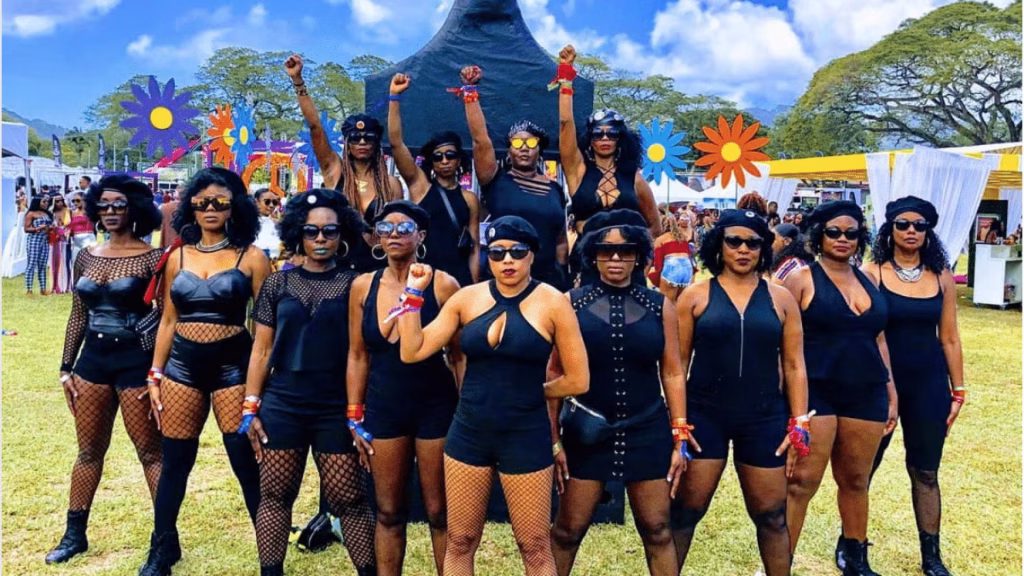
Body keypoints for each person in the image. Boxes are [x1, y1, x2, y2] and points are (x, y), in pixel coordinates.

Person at [397, 216, 589, 575]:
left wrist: (535, 392)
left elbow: (578, 380)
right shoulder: (466, 299)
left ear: (532, 255)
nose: (507, 261)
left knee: (534, 546)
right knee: (460, 541)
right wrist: (413, 293)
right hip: (470, 432)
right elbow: (412, 350)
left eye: (517, 252)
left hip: (525, 434)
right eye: (497, 253)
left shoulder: (553, 303)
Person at [139, 167, 271, 575]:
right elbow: (166, 321)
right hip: (182, 367)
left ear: (235, 207)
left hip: (234, 367)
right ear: (190, 207)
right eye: (202, 202)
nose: (210, 208)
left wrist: (257, 386)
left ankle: (269, 550)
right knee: (176, 459)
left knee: (245, 461)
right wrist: (155, 374)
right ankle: (162, 548)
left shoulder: (252, 257)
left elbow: (264, 329)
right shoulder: (176, 255)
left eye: (220, 202)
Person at [244, 188, 377, 576]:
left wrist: (355, 413)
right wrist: (251, 406)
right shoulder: (276, 285)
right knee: (275, 495)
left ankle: (368, 572)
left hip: (335, 402)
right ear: (297, 234)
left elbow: (359, 352)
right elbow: (261, 350)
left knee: (349, 497)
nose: (321, 239)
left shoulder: (356, 284)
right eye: (311, 231)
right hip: (284, 401)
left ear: (343, 235)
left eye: (330, 232)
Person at [671, 209, 810, 576]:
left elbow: (795, 365)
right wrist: (678, 424)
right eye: (734, 241)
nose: (743, 249)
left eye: (753, 242)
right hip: (704, 418)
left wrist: (799, 424)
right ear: (720, 244)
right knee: (685, 511)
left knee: (772, 516)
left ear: (764, 248)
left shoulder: (781, 299)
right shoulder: (695, 296)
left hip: (764, 418)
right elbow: (676, 365)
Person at [548, 210, 686, 576]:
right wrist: (553, 441)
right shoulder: (570, 303)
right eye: (606, 251)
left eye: (625, 251)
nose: (615, 259)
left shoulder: (660, 306)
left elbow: (672, 371)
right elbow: (554, 374)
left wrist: (680, 435)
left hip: (647, 430)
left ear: (639, 255)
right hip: (586, 432)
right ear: (592, 254)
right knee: (567, 531)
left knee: (657, 530)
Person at [46, 175, 165, 565]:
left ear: (136, 209)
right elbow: (78, 312)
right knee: (88, 452)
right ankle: (74, 534)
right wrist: (66, 368)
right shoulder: (87, 255)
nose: (111, 212)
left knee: (150, 453)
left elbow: (165, 318)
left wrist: (157, 373)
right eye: (105, 205)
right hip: (92, 364)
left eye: (119, 205)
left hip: (136, 364)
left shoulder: (152, 258)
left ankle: (165, 540)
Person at [783, 201, 897, 576]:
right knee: (802, 482)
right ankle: (778, 563)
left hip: (867, 390)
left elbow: (879, 339)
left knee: (855, 480)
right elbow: (782, 345)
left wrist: (891, 391)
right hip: (817, 392)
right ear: (819, 235)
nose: (843, 239)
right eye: (834, 232)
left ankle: (856, 560)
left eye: (851, 233)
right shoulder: (800, 279)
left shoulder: (869, 278)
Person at [348, 200, 461, 575]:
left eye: (404, 227)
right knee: (389, 511)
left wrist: (465, 412)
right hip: (384, 407)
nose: (394, 234)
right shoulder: (363, 285)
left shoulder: (443, 284)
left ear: (421, 236)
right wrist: (354, 414)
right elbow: (357, 355)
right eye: (386, 227)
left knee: (439, 511)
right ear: (376, 236)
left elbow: (459, 356)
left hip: (435, 406)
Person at [860, 197, 963, 576]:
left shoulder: (941, 276)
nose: (911, 231)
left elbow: (950, 338)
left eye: (920, 225)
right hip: (878, 383)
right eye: (903, 224)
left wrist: (959, 389)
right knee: (863, 470)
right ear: (890, 228)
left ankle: (931, 557)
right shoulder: (872, 273)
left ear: (928, 232)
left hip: (928, 384)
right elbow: (864, 333)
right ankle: (853, 547)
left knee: (926, 471)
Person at [285, 53, 401, 273]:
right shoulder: (334, 171)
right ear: (347, 143)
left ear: (377, 143)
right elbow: (315, 127)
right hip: (337, 266)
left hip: (378, 267)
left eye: (369, 138)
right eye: (355, 139)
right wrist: (298, 81)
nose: (362, 142)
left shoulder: (391, 184)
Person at [459, 65, 571, 292]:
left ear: (539, 150)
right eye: (517, 143)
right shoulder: (495, 179)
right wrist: (469, 91)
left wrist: (562, 275)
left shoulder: (555, 189)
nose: (524, 149)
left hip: (547, 283)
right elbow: (481, 140)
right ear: (509, 150)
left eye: (531, 144)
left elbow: (560, 240)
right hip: (502, 279)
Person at [554, 45, 660, 239]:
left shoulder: (634, 178)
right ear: (590, 139)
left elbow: (655, 227)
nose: (604, 138)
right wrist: (566, 77)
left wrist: (637, 255)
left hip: (625, 264)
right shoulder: (578, 171)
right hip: (586, 262)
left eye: (611, 134)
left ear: (621, 139)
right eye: (598, 134)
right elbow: (565, 124)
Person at [387, 73, 481, 288]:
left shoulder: (469, 199)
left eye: (451, 155)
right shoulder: (421, 187)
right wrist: (394, 97)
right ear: (431, 162)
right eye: (438, 157)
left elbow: (474, 247)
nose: (445, 161)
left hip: (459, 278)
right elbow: (396, 143)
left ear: (459, 160)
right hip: (424, 276)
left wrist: (473, 287)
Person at [647, 211, 696, 302]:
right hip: (686, 268)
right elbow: (690, 254)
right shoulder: (683, 237)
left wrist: (656, 278)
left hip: (672, 266)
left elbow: (658, 263)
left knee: (667, 303)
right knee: (680, 301)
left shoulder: (660, 239)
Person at [24, 195, 55, 295]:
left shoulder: (47, 214)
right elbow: (26, 229)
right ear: (38, 202)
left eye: (47, 202)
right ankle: (29, 289)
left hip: (44, 240)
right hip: (34, 240)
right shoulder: (31, 214)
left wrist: (51, 228)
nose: (46, 204)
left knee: (42, 265)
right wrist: (37, 228)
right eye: (44, 202)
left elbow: (50, 226)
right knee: (31, 264)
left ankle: (43, 288)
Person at [68, 191, 96, 274]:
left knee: (89, 261)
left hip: (88, 236)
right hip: (76, 238)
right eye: (73, 201)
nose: (75, 203)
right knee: (75, 262)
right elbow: (71, 226)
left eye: (78, 200)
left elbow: (93, 222)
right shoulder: (72, 212)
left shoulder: (89, 211)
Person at [50, 193, 73, 293]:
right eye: (57, 201)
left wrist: (66, 232)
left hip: (67, 239)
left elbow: (72, 224)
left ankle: (67, 286)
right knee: (55, 262)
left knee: (66, 261)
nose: (59, 203)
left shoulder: (68, 211)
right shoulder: (52, 213)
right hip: (55, 239)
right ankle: (55, 285)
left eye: (61, 200)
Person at [253, 188, 283, 260]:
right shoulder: (247, 223)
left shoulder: (276, 224)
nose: (271, 205)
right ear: (256, 201)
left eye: (275, 202)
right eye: (267, 202)